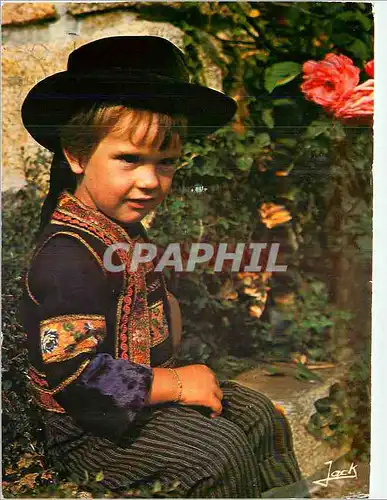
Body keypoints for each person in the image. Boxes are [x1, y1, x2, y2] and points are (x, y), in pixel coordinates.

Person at [20, 36, 309, 498]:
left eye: (167, 163)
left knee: (258, 414)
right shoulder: (67, 255)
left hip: (141, 401)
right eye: (130, 160)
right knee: (213, 454)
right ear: (75, 155)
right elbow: (78, 376)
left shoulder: (121, 233)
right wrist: (175, 383)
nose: (151, 181)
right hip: (89, 431)